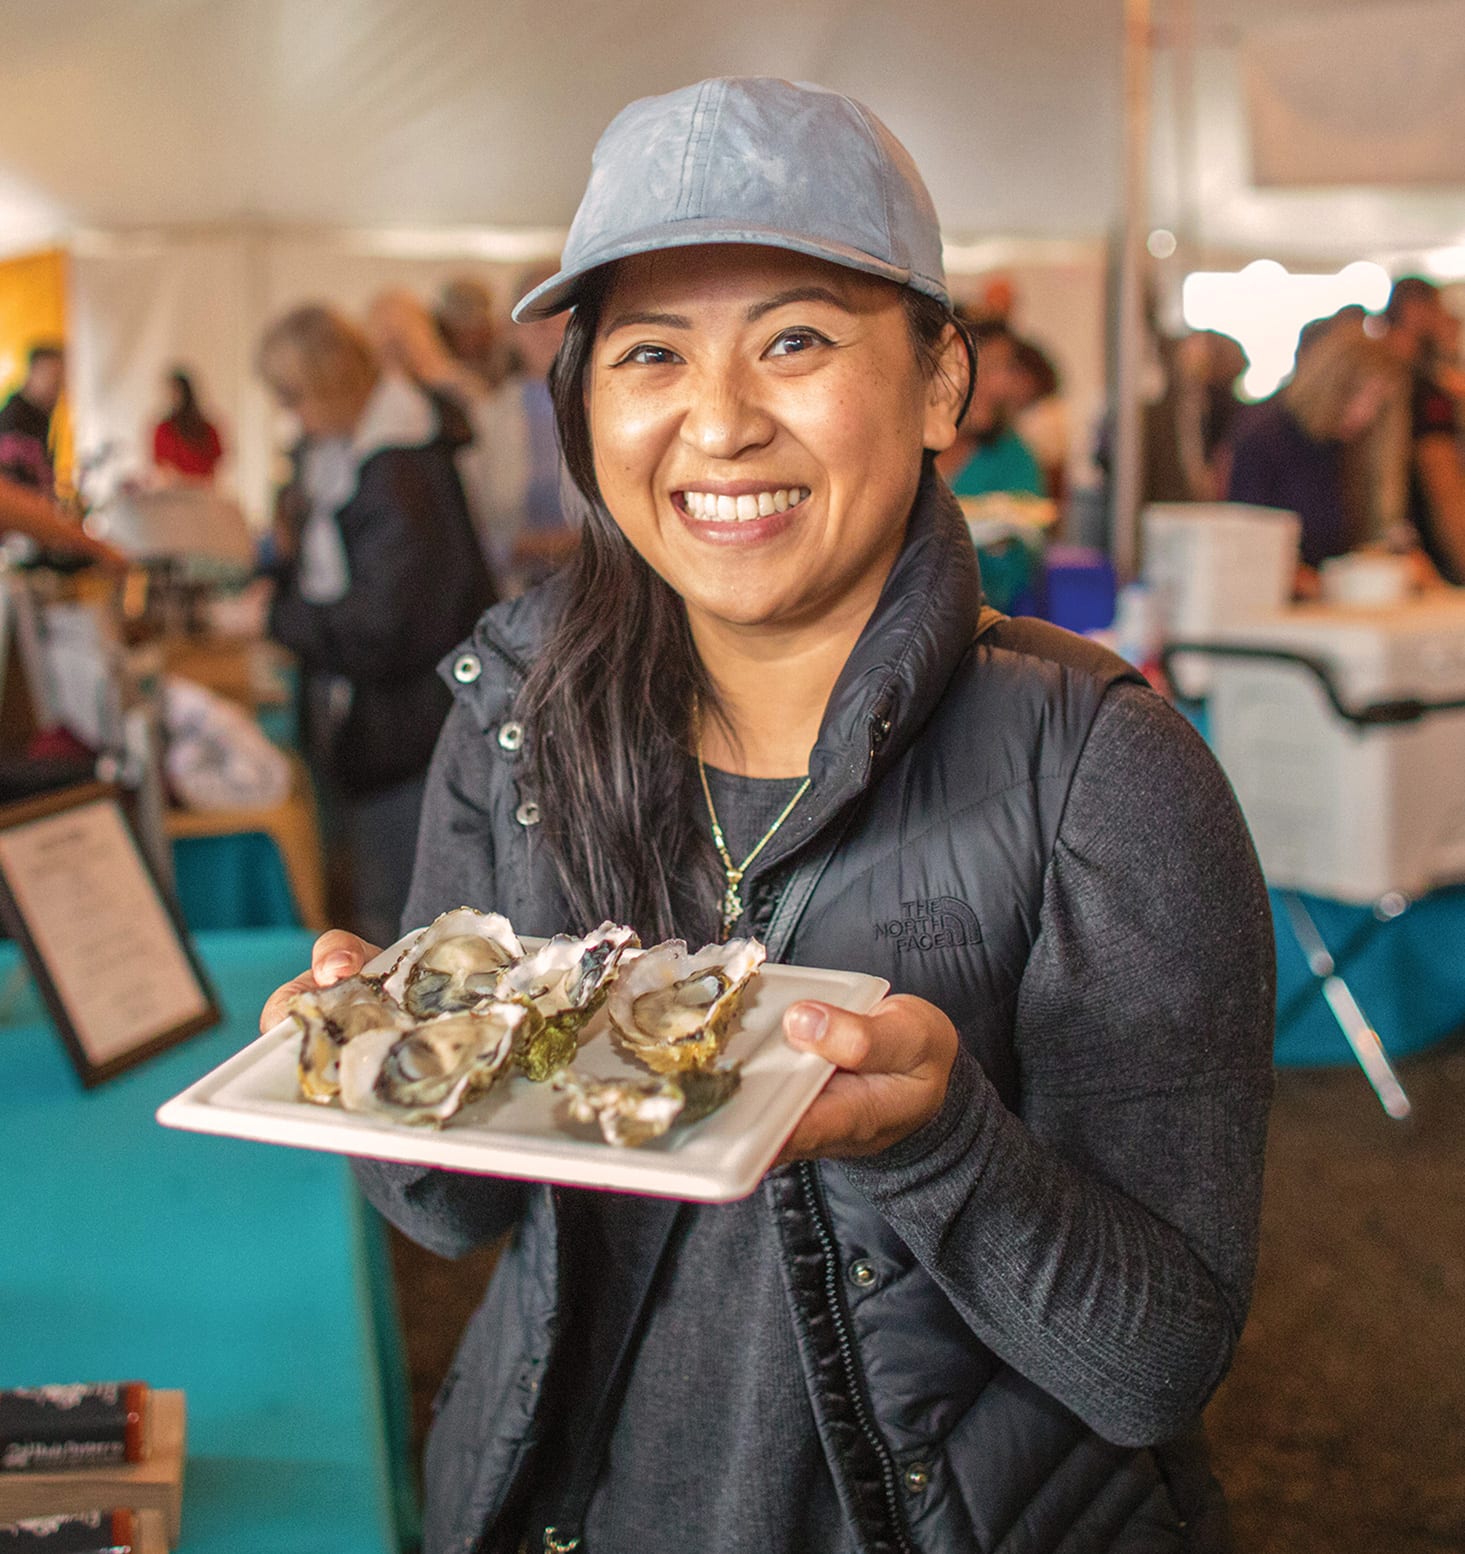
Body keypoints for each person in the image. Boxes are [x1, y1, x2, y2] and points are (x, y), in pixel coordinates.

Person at [263, 77, 1273, 1554]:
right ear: (582, 399)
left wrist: (935, 1144)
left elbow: (1154, 1361)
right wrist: (379, 1072)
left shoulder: (1101, 771)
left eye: (796, 341)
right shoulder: (520, 720)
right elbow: (457, 1218)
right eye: (651, 353)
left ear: (941, 384)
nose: (719, 423)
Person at [258, 304, 494, 947]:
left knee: (412, 922)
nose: (290, 413)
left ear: (328, 384)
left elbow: (383, 629)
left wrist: (278, 616)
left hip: (411, 726)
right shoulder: (365, 453)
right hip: (401, 723)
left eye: (291, 396)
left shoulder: (398, 468)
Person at [1229, 324, 1409, 589]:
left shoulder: (1346, 448)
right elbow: (1244, 539)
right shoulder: (1264, 437)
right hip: (1268, 601)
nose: (1366, 414)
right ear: (1333, 384)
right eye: (1360, 396)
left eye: (1377, 403)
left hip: (1328, 605)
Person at [1382, 275, 1465, 581]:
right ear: (1416, 310)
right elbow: (1441, 481)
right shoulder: (1421, 388)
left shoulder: (1415, 380)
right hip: (1423, 542)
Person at [0, 343, 65, 493]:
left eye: (61, 381)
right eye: (53, 376)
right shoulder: (15, 420)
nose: (58, 387)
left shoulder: (41, 418)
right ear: (32, 372)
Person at [151, 368, 224, 482]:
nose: (172, 397)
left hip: (202, 493)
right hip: (174, 493)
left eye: (176, 391)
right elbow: (162, 468)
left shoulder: (207, 430)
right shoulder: (163, 430)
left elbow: (213, 469)